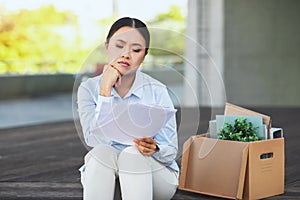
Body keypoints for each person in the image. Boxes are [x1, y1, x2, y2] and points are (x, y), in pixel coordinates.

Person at [77, 17, 179, 200]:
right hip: (109, 176)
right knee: (100, 153)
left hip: (154, 175)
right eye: (119, 45)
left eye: (136, 49)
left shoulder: (157, 90)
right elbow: (93, 140)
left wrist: (155, 148)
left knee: (133, 154)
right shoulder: (88, 89)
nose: (126, 54)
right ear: (107, 46)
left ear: (144, 55)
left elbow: (171, 151)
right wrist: (105, 90)